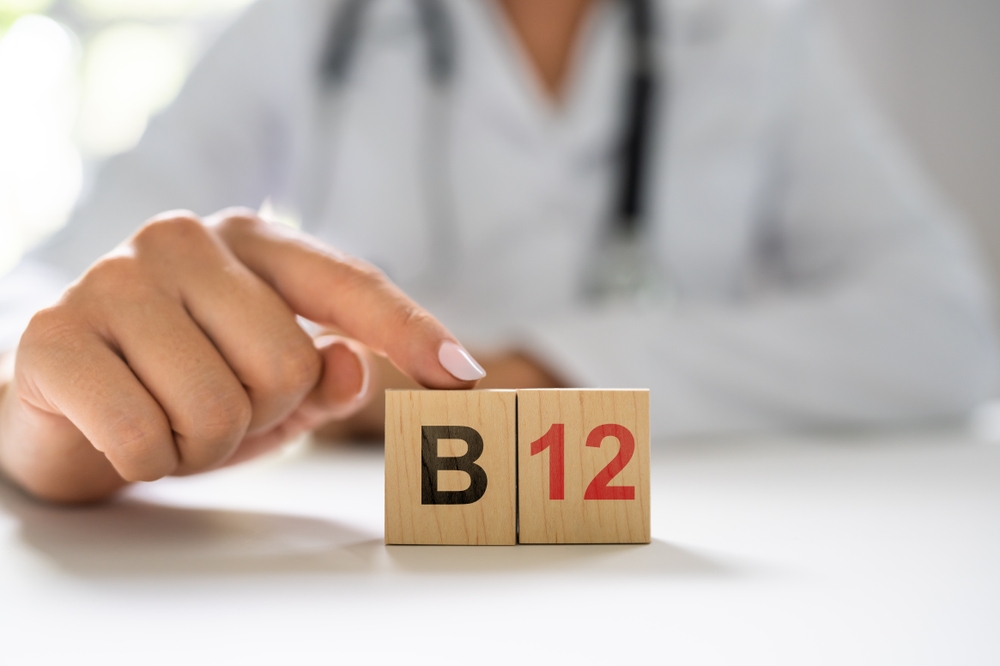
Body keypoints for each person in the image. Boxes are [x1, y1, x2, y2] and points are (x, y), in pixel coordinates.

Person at [0, 0, 996, 502]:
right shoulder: (306, 22)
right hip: (353, 551)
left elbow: (946, 328)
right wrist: (57, 401)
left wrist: (534, 375)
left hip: (694, 521)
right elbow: (43, 300)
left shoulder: (753, 27)